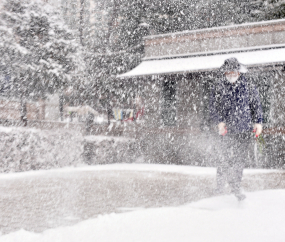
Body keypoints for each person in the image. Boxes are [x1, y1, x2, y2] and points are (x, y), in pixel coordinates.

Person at [210, 57, 263, 201]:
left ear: (239, 72)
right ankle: (220, 186)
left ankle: (236, 186)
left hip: (244, 129)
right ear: (225, 72)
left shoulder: (249, 87)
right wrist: (219, 122)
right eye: (228, 72)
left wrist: (258, 122)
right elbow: (212, 107)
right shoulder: (218, 87)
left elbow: (256, 106)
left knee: (239, 159)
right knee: (224, 158)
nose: (231, 75)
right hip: (226, 130)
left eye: (234, 72)